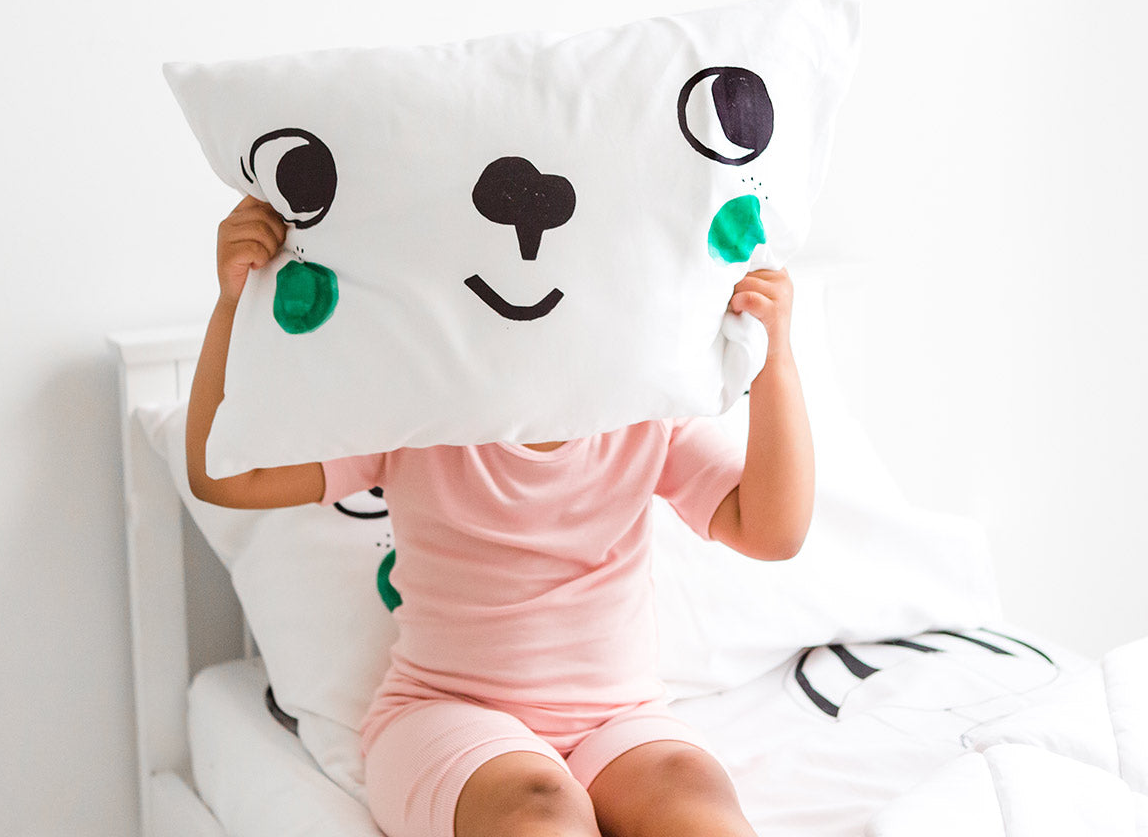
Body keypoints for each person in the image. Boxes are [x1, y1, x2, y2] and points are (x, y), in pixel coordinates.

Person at [188, 195, 814, 837]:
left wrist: (775, 357)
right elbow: (226, 475)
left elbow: (772, 530)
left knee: (694, 802)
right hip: (445, 712)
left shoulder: (646, 413)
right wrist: (234, 304)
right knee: (538, 809)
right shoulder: (414, 415)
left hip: (619, 721)